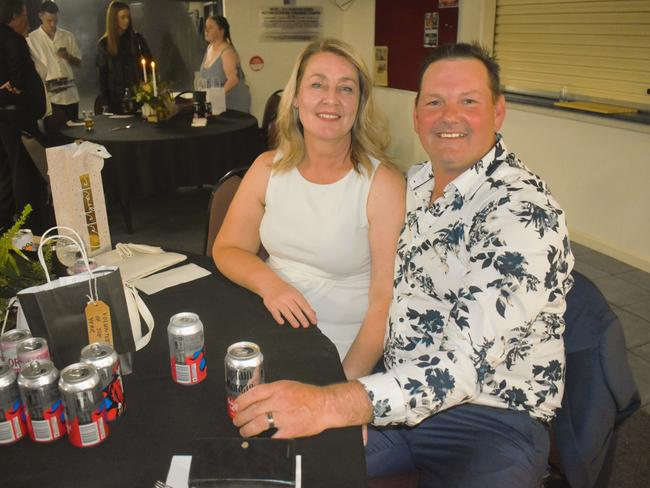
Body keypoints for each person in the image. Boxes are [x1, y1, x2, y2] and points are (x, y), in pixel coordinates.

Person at [231, 43, 575, 488]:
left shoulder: (524, 213)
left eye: (468, 101)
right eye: (434, 102)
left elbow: (460, 365)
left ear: (498, 112)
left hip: (490, 418)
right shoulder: (413, 184)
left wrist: (336, 402)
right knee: (276, 466)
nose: (449, 116)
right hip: (394, 397)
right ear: (416, 116)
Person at [213, 38, 405, 380]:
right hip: (266, 327)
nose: (331, 99)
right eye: (317, 84)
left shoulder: (383, 184)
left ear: (359, 104)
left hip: (338, 349)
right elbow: (227, 248)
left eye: (346, 88)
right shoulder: (267, 167)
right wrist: (271, 285)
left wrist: (342, 390)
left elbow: (384, 305)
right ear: (297, 97)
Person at [0, 0, 49, 233]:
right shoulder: (13, 41)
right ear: (15, 16)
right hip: (17, 119)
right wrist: (16, 90)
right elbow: (19, 83)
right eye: (24, 15)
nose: (27, 20)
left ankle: (7, 228)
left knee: (7, 177)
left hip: (5, 118)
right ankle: (29, 229)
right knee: (24, 175)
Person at [27, 1, 81, 123]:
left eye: (55, 21)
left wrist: (68, 56)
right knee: (56, 137)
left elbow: (78, 63)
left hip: (70, 95)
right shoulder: (31, 39)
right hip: (49, 98)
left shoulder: (68, 36)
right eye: (49, 21)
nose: (52, 24)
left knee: (75, 136)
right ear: (40, 16)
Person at [96, 0, 152, 114]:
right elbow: (103, 76)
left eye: (128, 17)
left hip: (138, 97)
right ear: (113, 19)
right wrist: (105, 103)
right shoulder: (104, 44)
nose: (127, 20)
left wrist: (148, 86)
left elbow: (150, 64)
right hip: (115, 100)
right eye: (122, 17)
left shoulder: (137, 39)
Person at [198, 15, 250, 113]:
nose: (206, 30)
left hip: (233, 101)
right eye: (206, 27)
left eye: (210, 27)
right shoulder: (209, 48)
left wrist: (215, 97)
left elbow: (233, 80)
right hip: (216, 103)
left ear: (221, 31)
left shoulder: (227, 51)